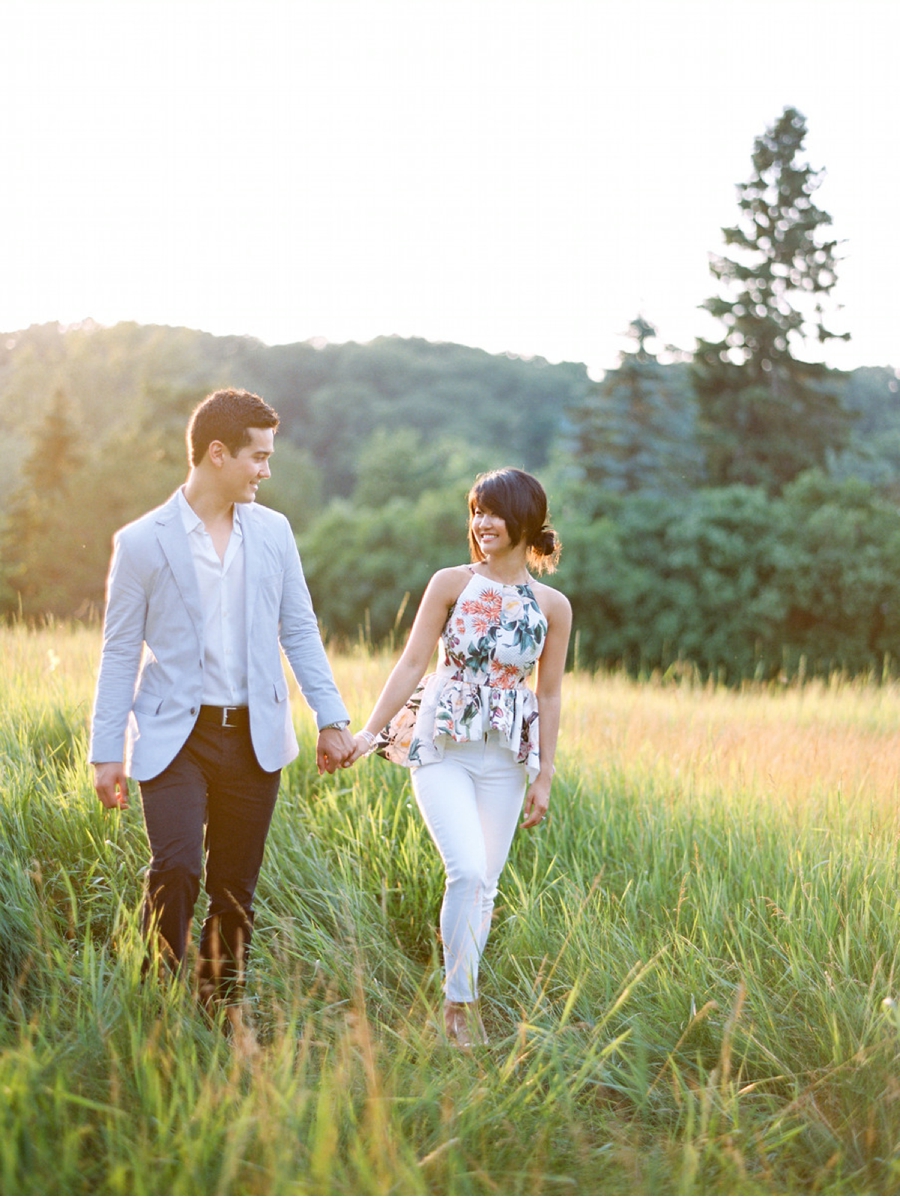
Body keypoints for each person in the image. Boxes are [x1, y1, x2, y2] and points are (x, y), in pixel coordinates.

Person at [89, 388, 355, 1035]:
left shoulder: (274, 531)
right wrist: (106, 749)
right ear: (217, 453)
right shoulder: (142, 543)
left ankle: (217, 1011)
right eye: (258, 457)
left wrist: (331, 714)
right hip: (174, 735)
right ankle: (156, 1002)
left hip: (254, 736)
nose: (267, 470)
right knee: (176, 866)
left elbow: (300, 627)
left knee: (235, 891)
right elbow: (120, 648)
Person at [348, 468, 572, 1047]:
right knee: (467, 870)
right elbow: (411, 661)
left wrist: (544, 772)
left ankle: (460, 997)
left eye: (493, 512)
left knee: (486, 884)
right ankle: (457, 1008)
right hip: (441, 746)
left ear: (524, 519)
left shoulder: (552, 605)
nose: (481, 523)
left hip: (505, 757)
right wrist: (370, 734)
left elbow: (548, 692)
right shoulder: (451, 582)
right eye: (476, 511)